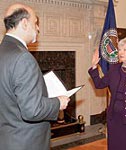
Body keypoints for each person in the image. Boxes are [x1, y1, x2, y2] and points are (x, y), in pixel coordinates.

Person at [0, 3, 70, 150]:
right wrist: (58, 102)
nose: (38, 28)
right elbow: (32, 110)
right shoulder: (23, 57)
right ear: (24, 23)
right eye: (35, 23)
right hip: (26, 142)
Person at [88, 38, 126, 150]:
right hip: (114, 121)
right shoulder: (114, 69)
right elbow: (99, 84)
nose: (120, 52)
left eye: (124, 50)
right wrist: (94, 67)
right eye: (120, 49)